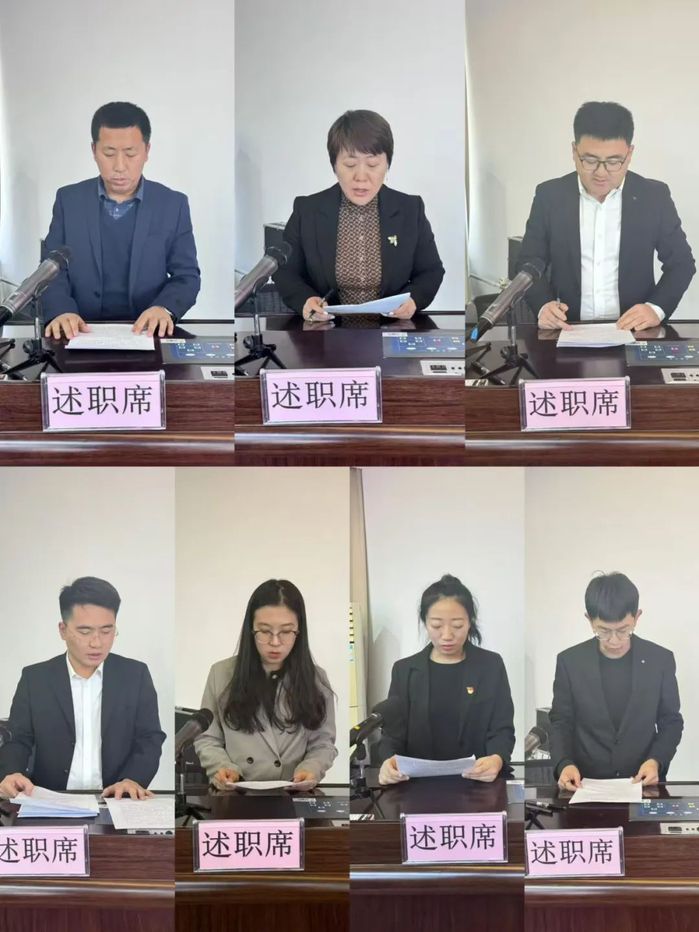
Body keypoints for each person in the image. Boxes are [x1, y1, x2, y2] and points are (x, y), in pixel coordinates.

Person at [517, 101, 695, 330]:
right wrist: (543, 306)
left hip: (634, 330)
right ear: (574, 151)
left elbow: (681, 263)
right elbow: (528, 261)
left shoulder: (653, 196)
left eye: (613, 161)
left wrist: (655, 308)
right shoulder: (550, 196)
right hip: (568, 328)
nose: (601, 173)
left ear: (629, 154)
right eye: (590, 160)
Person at [42, 101, 201, 340]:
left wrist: (164, 308)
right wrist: (61, 310)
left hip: (146, 334)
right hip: (79, 332)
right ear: (94, 150)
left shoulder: (172, 204)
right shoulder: (69, 200)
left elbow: (187, 276)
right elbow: (50, 269)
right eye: (109, 154)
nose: (119, 166)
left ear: (147, 151)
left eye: (130, 154)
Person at [0, 577, 165, 800]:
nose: (96, 643)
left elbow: (149, 738)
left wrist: (133, 779)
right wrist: (11, 773)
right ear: (63, 630)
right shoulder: (35, 679)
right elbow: (18, 738)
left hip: (115, 799)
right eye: (85, 631)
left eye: (106, 631)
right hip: (49, 800)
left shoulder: (135, 675)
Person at [272, 109, 445, 323]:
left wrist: (413, 300)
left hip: (391, 329)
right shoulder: (308, 210)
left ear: (387, 164)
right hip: (326, 330)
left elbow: (431, 271)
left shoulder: (410, 209)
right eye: (350, 165)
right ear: (334, 165)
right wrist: (305, 300)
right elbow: (285, 272)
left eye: (372, 164)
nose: (361, 177)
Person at [194, 579, 337, 789]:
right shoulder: (221, 674)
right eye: (265, 631)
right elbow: (208, 739)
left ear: (299, 632)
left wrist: (312, 768)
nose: (275, 642)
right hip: (237, 794)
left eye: (286, 631)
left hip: (293, 793)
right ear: (251, 630)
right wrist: (221, 768)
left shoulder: (317, 679)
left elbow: (323, 743)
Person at [550, 572, 683, 792]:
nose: (614, 640)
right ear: (589, 619)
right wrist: (564, 763)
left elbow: (671, 721)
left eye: (623, 630)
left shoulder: (660, 660)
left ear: (637, 617)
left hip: (643, 782)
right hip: (585, 783)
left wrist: (656, 760)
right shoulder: (570, 662)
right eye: (603, 631)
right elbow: (561, 721)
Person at [377, 575, 515, 786]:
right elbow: (392, 735)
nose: (447, 635)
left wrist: (496, 759)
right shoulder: (404, 671)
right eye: (437, 625)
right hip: (417, 787)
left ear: (470, 622)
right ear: (425, 622)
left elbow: (502, 729)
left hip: (477, 784)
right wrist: (388, 762)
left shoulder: (490, 666)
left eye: (457, 625)